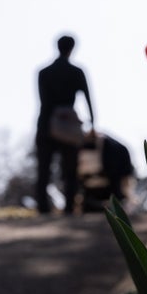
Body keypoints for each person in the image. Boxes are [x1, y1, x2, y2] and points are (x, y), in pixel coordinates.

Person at [35, 34, 95, 214]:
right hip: (68, 126)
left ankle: (43, 208)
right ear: (72, 49)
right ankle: (69, 207)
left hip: (46, 123)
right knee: (70, 170)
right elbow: (88, 98)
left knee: (44, 168)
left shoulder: (44, 72)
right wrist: (92, 122)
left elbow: (43, 101)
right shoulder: (76, 72)